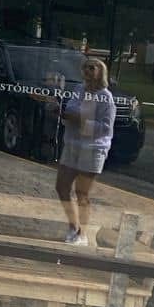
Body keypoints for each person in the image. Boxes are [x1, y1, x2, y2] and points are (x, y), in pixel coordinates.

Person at [54, 58, 116, 247]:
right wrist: (62, 113)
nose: (88, 71)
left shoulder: (106, 97)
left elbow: (106, 127)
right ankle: (73, 226)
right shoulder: (79, 90)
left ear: (101, 72)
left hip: (92, 149)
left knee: (82, 193)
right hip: (72, 145)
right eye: (85, 67)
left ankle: (82, 234)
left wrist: (81, 121)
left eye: (92, 67)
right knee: (61, 187)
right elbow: (71, 111)